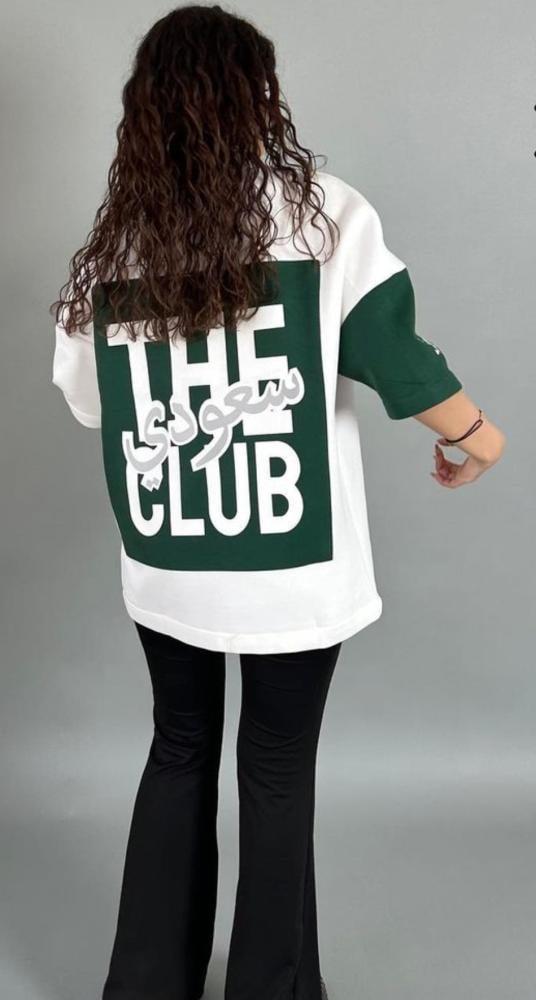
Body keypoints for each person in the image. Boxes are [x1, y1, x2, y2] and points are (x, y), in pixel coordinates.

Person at [49, 6, 506, 1000]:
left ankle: (145, 984)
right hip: (290, 565)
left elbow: (89, 400)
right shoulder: (324, 216)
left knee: (178, 749)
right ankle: (273, 987)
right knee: (275, 767)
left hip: (172, 558)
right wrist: (480, 437)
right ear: (259, 100)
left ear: (146, 110)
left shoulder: (120, 242)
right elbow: (390, 352)